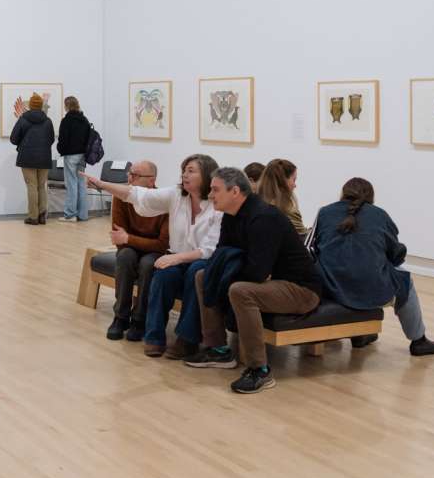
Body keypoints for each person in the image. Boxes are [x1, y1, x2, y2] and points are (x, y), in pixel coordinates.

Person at [185, 167, 323, 395]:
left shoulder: (264, 218)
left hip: (301, 290)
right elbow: (221, 255)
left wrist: (227, 283)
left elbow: (257, 272)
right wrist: (220, 278)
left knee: (240, 290)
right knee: (204, 275)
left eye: (215, 190)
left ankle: (259, 369)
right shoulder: (230, 215)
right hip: (270, 282)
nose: (210, 195)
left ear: (235, 191)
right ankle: (218, 349)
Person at [83, 155, 222, 357]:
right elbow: (139, 195)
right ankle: (154, 337)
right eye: (184, 170)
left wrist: (175, 258)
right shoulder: (176, 195)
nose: (184, 174)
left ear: (207, 174)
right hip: (177, 258)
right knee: (163, 276)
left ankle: (187, 339)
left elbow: (209, 249)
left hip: (201, 261)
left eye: (191, 170)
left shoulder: (216, 204)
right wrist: (102, 184)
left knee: (193, 271)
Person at [310, 178, 434, 356]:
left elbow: (312, 249)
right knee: (404, 280)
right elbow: (395, 254)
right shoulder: (380, 215)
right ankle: (418, 340)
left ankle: (360, 333)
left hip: (330, 286)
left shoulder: (324, 212)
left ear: (343, 194)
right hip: (370, 288)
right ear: (371, 197)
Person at [102, 161, 170, 341]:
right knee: (125, 256)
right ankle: (121, 316)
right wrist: (127, 240)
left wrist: (129, 238)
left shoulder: (164, 202)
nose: (129, 178)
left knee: (148, 264)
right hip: (132, 248)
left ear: (151, 181)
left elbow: (162, 245)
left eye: (136, 175)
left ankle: (140, 318)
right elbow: (119, 240)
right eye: (129, 174)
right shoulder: (122, 196)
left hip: (154, 251)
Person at [10, 93, 55, 225]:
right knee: (41, 186)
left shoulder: (23, 119)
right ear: (41, 106)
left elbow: (13, 139)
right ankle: (42, 215)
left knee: (32, 186)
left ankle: (33, 216)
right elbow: (51, 139)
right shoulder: (48, 121)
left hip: (27, 157)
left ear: (30, 105)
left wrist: (23, 143)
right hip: (44, 158)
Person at [56, 96, 92, 222]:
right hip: (82, 155)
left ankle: (70, 214)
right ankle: (83, 215)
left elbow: (63, 139)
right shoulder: (84, 120)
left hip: (71, 155)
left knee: (71, 184)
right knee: (81, 184)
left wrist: (60, 150)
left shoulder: (67, 120)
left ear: (67, 106)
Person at [255, 158, 307, 235]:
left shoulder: (253, 204)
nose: (295, 185)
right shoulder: (289, 211)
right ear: (283, 181)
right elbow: (303, 239)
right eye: (294, 180)